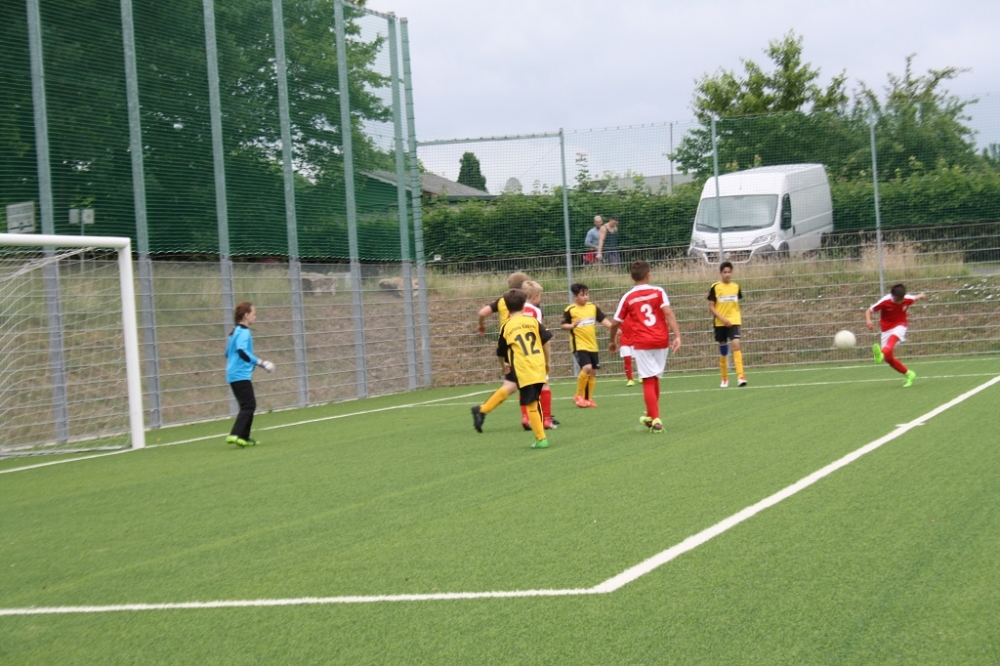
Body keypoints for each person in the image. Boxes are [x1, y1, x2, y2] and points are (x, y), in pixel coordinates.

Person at [471, 289, 553, 449]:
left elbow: (500, 353)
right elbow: (546, 341)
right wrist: (547, 362)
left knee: (528, 400)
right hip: (536, 364)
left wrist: (504, 366)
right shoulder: (533, 321)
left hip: (522, 366)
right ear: (524, 304)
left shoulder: (506, 327)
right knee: (531, 399)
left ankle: (541, 437)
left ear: (506, 307)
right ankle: (541, 433)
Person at [608, 260, 682, 434]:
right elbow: (668, 313)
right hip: (661, 340)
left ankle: (655, 419)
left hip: (642, 342)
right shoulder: (658, 291)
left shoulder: (628, 297)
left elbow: (615, 323)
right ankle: (650, 415)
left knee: (648, 379)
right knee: (655, 377)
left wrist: (612, 341)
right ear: (648, 275)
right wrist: (677, 336)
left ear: (632, 277)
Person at [225, 301, 275, 447]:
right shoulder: (244, 332)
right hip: (239, 375)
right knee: (249, 405)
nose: (255, 316)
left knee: (247, 405)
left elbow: (227, 353)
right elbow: (242, 351)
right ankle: (235, 434)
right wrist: (261, 363)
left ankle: (244, 437)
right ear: (246, 315)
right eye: (253, 313)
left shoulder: (235, 331)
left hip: (233, 374)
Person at [562, 282, 613, 407]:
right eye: (582, 295)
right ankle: (578, 396)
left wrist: (614, 328)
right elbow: (563, 325)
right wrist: (572, 325)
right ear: (575, 296)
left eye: (587, 294)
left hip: (592, 345)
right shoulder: (570, 310)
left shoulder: (592, 307)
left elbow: (603, 320)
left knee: (594, 371)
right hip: (579, 345)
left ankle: (588, 399)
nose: (585, 297)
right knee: (587, 367)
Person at [866, 284, 927, 387]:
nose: (899, 302)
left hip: (900, 325)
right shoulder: (885, 301)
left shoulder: (907, 299)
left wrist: (921, 296)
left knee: (891, 341)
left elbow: (914, 298)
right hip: (886, 330)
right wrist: (868, 321)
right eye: (896, 299)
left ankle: (880, 354)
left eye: (900, 300)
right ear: (892, 295)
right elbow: (869, 310)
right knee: (888, 359)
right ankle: (909, 374)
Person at [521, 280, 556, 429]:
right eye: (540, 296)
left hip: (519, 355)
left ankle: (526, 418)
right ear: (535, 296)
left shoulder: (515, 310)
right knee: (544, 384)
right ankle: (546, 419)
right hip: (535, 353)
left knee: (525, 385)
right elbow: (541, 336)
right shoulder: (535, 312)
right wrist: (547, 360)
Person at [707, 261, 747, 388]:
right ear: (721, 273)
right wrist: (723, 319)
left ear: (732, 273)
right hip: (720, 322)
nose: (727, 274)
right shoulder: (715, 287)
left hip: (734, 321)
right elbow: (711, 307)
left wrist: (734, 318)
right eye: (725, 272)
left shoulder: (736, 287)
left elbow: (735, 305)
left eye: (729, 272)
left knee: (736, 344)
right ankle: (724, 378)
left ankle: (741, 376)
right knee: (723, 350)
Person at [617, 318, 636, 387]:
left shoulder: (635, 313)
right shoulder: (620, 315)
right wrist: (615, 342)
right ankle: (630, 379)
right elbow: (616, 327)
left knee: (639, 359)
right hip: (624, 340)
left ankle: (642, 376)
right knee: (627, 360)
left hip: (635, 339)